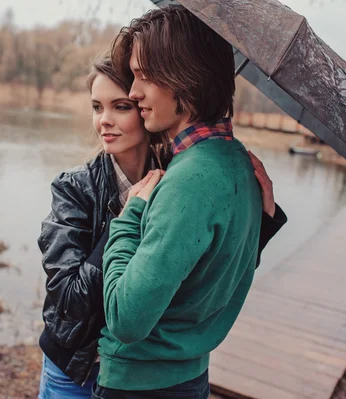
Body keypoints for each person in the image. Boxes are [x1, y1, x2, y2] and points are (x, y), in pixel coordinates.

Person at [37, 55, 286, 397]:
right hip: (76, 371)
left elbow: (207, 275)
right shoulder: (74, 189)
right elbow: (68, 303)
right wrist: (125, 222)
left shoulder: (182, 181)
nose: (104, 121)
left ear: (144, 106)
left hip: (140, 375)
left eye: (121, 106)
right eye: (97, 107)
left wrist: (263, 219)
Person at [93, 6, 283, 398]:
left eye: (145, 76)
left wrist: (130, 218)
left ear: (186, 77)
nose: (133, 91)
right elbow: (212, 277)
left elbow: (125, 319)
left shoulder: (190, 181)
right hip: (189, 377)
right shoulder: (237, 160)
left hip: (141, 385)